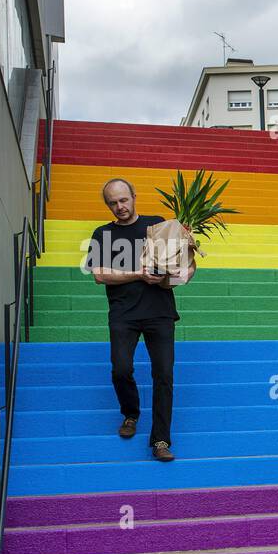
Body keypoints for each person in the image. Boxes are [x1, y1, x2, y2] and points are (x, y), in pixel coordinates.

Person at [82, 178, 193, 462]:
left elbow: (186, 266)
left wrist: (184, 269)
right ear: (107, 204)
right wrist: (139, 273)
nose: (119, 206)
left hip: (160, 312)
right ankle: (130, 413)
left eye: (124, 200)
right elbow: (99, 275)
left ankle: (160, 440)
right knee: (121, 369)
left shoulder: (157, 224)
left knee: (164, 376)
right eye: (113, 202)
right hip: (123, 314)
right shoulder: (102, 233)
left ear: (134, 196)